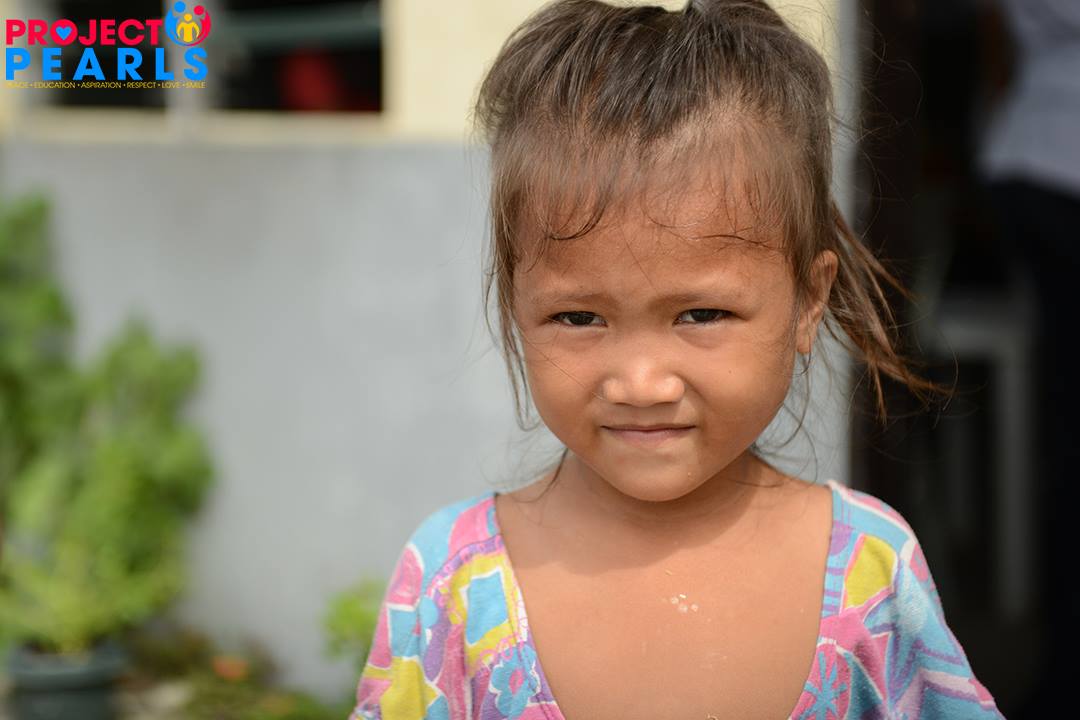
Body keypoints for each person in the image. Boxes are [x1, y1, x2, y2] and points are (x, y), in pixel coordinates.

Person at [351, 1, 1005, 717]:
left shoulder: (871, 575)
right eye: (578, 318)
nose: (642, 383)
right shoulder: (452, 583)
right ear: (515, 306)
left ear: (808, 301)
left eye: (701, 315)